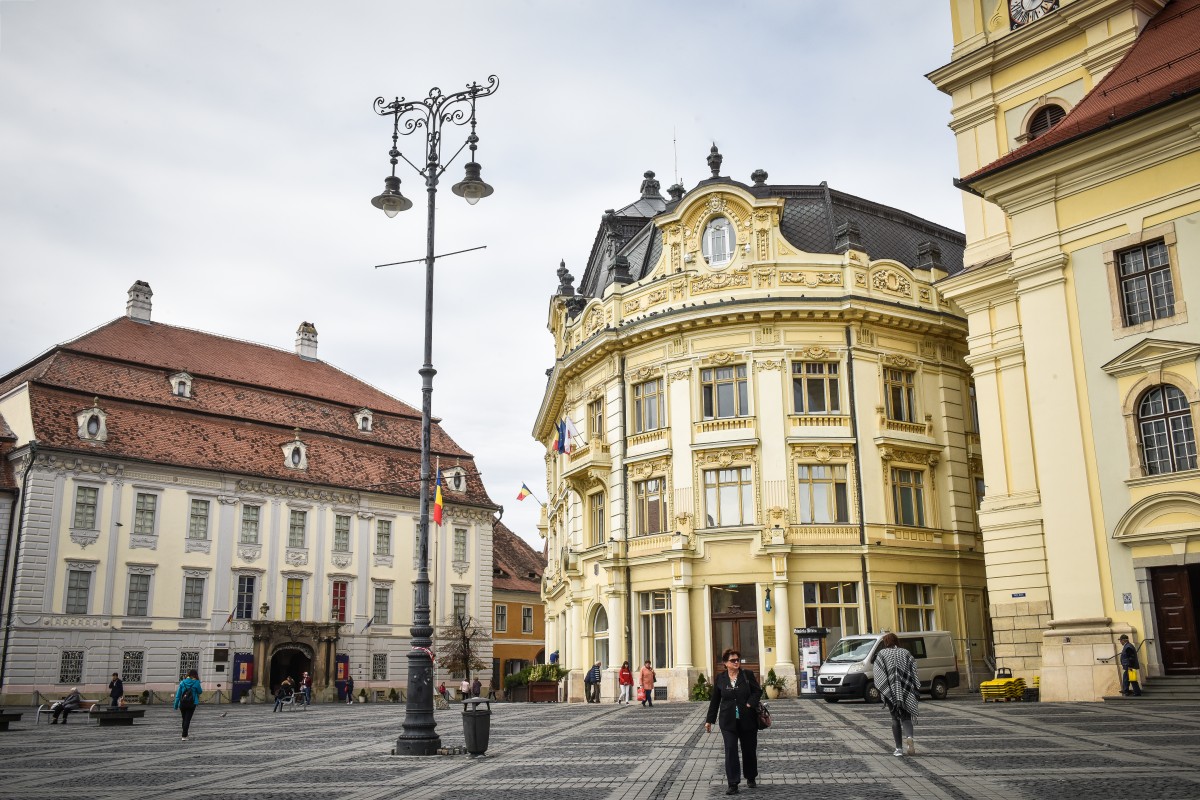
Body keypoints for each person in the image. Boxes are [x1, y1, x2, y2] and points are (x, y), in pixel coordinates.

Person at [705, 649, 761, 795]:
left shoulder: (746, 675)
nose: (737, 662)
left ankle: (750, 776)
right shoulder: (721, 678)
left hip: (747, 719)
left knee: (748, 750)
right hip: (727, 721)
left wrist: (750, 703)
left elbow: (757, 691)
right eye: (733, 660)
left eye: (738, 660)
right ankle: (733, 783)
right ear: (725, 663)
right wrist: (709, 720)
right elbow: (715, 700)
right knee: (730, 750)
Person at [873, 632, 920, 757]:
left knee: (895, 718)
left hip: (890, 690)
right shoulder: (906, 652)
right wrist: (914, 686)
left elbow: (878, 673)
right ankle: (909, 737)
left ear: (885, 642)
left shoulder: (882, 654)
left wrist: (884, 689)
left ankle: (898, 749)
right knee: (906, 717)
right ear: (896, 641)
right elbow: (914, 669)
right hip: (906, 688)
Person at [174, 668, 202, 741]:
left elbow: (178, 695)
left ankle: (185, 734)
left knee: (184, 719)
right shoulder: (196, 682)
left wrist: (176, 705)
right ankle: (184, 735)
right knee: (187, 719)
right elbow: (200, 691)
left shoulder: (182, 682)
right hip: (192, 703)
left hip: (182, 703)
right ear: (195, 675)